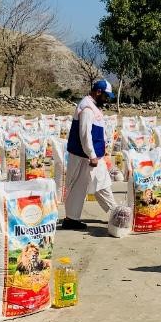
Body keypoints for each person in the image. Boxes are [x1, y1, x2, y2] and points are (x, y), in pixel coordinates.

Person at [61, 80, 117, 230]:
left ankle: (72, 218)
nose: (107, 100)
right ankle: (115, 213)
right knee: (99, 184)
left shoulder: (92, 106)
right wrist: (91, 154)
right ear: (98, 92)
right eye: (106, 96)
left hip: (89, 155)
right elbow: (85, 134)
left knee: (86, 185)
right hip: (86, 156)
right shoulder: (87, 108)